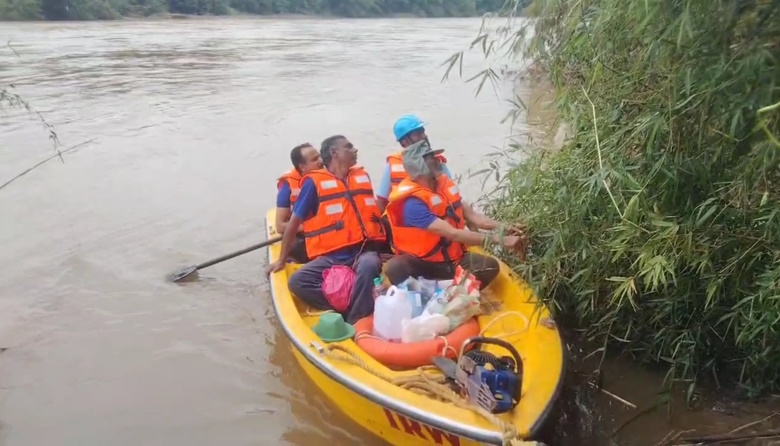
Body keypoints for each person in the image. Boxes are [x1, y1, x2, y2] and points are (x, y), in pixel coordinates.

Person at [266, 135, 386, 324]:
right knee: (297, 282)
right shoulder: (313, 183)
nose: (354, 150)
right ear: (334, 152)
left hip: (362, 251)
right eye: (348, 147)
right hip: (331, 256)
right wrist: (281, 260)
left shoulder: (361, 176)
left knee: (369, 263)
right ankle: (344, 307)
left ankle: (355, 320)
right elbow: (293, 224)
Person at [383, 139, 525, 289]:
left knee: (490, 266)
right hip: (423, 264)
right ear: (419, 165)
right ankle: (429, 291)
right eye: (431, 158)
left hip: (453, 261)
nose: (438, 160)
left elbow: (475, 218)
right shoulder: (412, 203)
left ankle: (453, 292)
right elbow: (453, 234)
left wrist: (506, 228)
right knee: (395, 267)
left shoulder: (444, 187)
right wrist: (501, 240)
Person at [376, 114, 452, 214]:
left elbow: (451, 192)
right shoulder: (393, 163)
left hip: (438, 216)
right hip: (408, 219)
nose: (425, 136)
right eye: (418, 134)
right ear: (404, 142)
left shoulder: (436, 160)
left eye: (423, 132)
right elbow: (381, 201)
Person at [275, 142, 323, 263]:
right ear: (302, 167)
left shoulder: (330, 176)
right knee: (297, 247)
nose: (321, 161)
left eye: (319, 156)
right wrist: (313, 226)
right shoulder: (288, 186)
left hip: (326, 232)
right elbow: (280, 226)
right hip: (303, 234)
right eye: (315, 159)